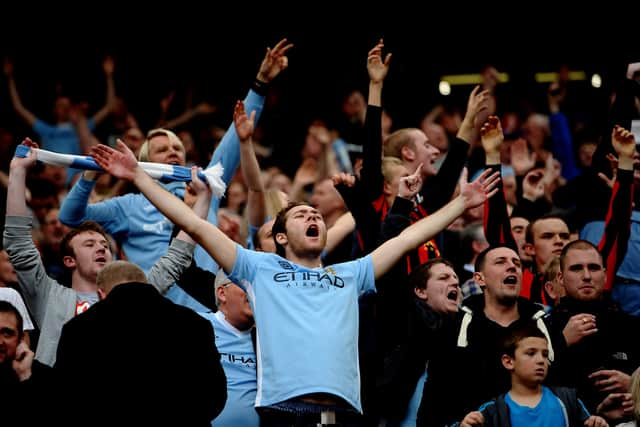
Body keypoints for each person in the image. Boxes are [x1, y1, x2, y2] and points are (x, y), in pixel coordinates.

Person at [90, 134, 499, 423]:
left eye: (318, 215)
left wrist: (461, 202)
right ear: (281, 237)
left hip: (345, 411)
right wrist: (139, 177)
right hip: (282, 412)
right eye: (302, 215)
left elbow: (410, 235)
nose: (314, 217)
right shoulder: (257, 267)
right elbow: (194, 227)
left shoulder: (350, 273)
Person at [58, 38, 293, 274]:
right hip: (156, 306)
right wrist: (89, 176)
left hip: (207, 309)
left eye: (177, 148)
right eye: (162, 149)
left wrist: (260, 85)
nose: (172, 151)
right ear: (145, 163)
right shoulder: (129, 206)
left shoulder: (203, 190)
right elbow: (70, 216)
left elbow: (236, 135)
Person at [4, 138, 207, 365]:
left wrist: (202, 201)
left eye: (104, 245)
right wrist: (17, 171)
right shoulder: (50, 296)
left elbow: (175, 259)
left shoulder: (136, 297)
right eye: (89, 245)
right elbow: (18, 244)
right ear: (70, 261)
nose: (100, 247)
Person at [55, 261, 227, 427]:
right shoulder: (194, 323)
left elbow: (68, 399)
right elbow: (215, 395)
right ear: (145, 283)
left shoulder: (78, 329)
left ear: (101, 294)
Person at [418, 244, 553, 426]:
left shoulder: (544, 325)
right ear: (480, 279)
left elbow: (564, 388)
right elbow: (433, 403)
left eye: (517, 263)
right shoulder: (452, 329)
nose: (512, 267)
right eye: (500, 262)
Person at [546, 239, 640, 417]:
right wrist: (561, 342)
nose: (587, 276)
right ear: (561, 278)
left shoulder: (631, 326)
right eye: (576, 268)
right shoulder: (542, 327)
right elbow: (525, 385)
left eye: (594, 268)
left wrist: (633, 384)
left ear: (605, 276)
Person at [459, 321, 608, 427]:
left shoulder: (569, 400)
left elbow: (591, 422)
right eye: (531, 353)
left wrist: (598, 423)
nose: (541, 361)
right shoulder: (492, 411)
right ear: (508, 362)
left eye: (545, 354)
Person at [0, 300, 53, 426]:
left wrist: (25, 377)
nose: (0, 342)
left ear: (21, 338)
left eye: (7, 333)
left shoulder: (44, 376)